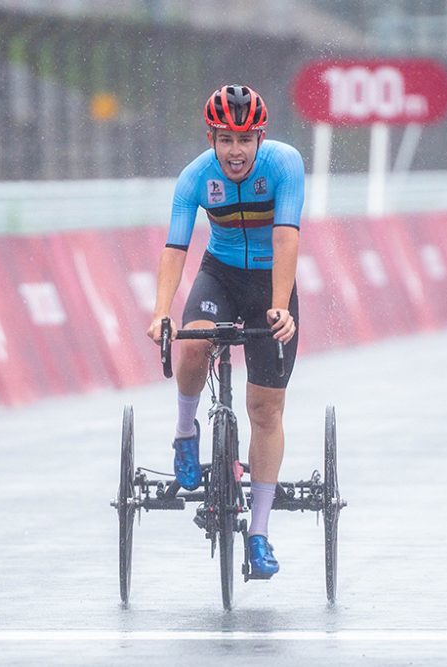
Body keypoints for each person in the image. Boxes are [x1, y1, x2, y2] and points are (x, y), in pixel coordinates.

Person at [146, 84, 305, 579]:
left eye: (244, 140)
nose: (235, 152)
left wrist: (279, 307)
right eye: (224, 140)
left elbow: (286, 238)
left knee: (264, 408)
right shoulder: (195, 176)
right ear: (211, 139)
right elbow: (175, 249)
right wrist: (160, 313)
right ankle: (185, 432)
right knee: (192, 345)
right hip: (220, 273)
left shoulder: (285, 165)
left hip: (268, 283)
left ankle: (258, 532)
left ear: (261, 138)